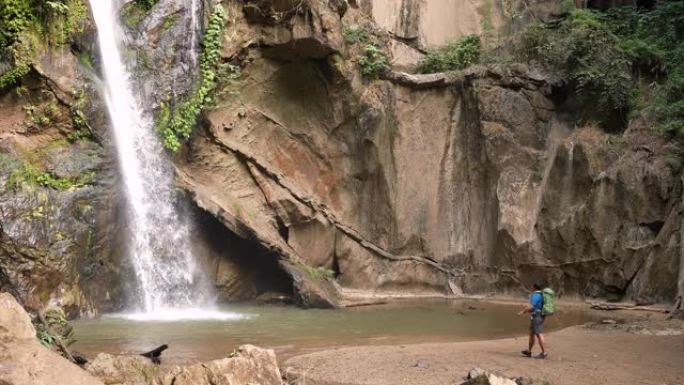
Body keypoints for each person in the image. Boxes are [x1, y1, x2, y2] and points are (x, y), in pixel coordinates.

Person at [518, 283, 548, 359]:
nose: (530, 288)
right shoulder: (540, 295)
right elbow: (535, 306)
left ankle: (544, 353)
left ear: (534, 288)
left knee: (539, 334)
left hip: (537, 317)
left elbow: (532, 306)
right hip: (537, 316)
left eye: (531, 287)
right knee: (531, 334)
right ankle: (529, 351)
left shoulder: (536, 295)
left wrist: (523, 312)